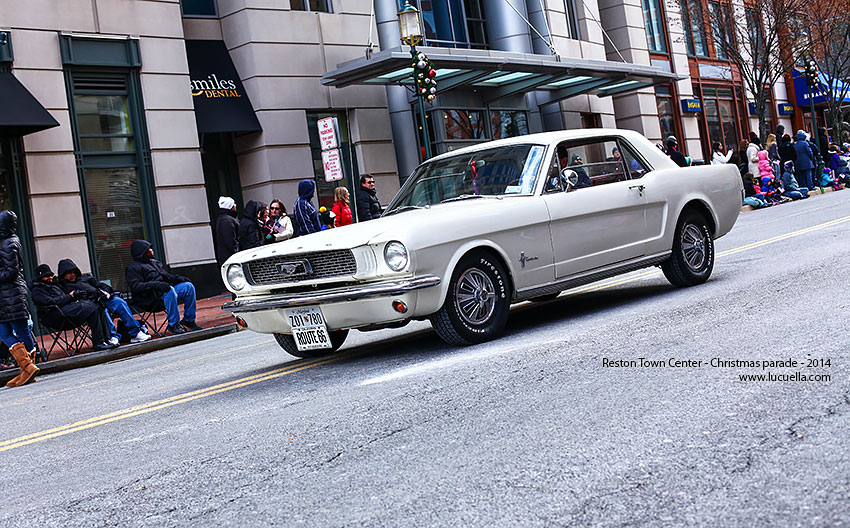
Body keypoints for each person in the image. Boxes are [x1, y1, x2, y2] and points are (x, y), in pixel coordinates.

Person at [57, 258, 151, 345]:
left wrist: (105, 291)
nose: (72, 275)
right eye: (69, 273)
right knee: (101, 310)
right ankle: (112, 336)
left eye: (74, 272)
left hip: (102, 298)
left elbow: (100, 285)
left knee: (119, 302)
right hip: (90, 306)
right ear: (63, 274)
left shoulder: (86, 278)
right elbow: (71, 300)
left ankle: (135, 332)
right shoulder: (63, 286)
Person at [31, 264, 115, 353]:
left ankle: (106, 339)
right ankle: (98, 342)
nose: (50, 278)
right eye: (46, 276)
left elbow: (64, 298)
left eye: (51, 275)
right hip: (55, 315)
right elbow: (52, 302)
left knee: (98, 306)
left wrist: (77, 295)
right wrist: (70, 296)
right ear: (40, 277)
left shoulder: (54, 285)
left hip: (66, 310)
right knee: (91, 308)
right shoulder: (37, 291)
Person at [125, 240, 202, 335]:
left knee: (188, 286)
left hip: (164, 293)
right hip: (150, 298)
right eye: (149, 249)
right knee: (170, 290)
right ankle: (173, 324)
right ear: (143, 251)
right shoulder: (134, 268)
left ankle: (188, 320)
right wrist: (156, 284)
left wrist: (178, 278)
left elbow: (167, 277)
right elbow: (135, 286)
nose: (152, 250)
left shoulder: (154, 263)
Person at [0, 210, 39, 387]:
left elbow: (11, 272)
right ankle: (27, 368)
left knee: (19, 331)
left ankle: (28, 368)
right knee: (6, 332)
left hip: (12, 294)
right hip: (6, 295)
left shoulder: (9, 243)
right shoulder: (6, 241)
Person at [215, 196, 239, 266]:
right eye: (233, 204)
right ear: (230, 206)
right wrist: (236, 251)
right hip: (230, 257)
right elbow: (230, 239)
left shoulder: (226, 219)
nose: (235, 205)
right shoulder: (227, 220)